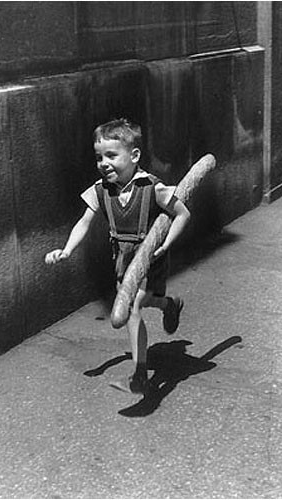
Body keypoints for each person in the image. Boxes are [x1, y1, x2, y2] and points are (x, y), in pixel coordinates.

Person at [45, 118, 190, 395]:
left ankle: (139, 376)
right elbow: (84, 222)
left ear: (134, 156)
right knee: (143, 301)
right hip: (122, 258)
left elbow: (183, 214)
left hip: (150, 256)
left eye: (112, 155)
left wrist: (165, 244)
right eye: (99, 157)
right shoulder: (101, 190)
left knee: (133, 308)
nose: (104, 162)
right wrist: (66, 250)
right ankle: (168, 305)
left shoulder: (152, 188)